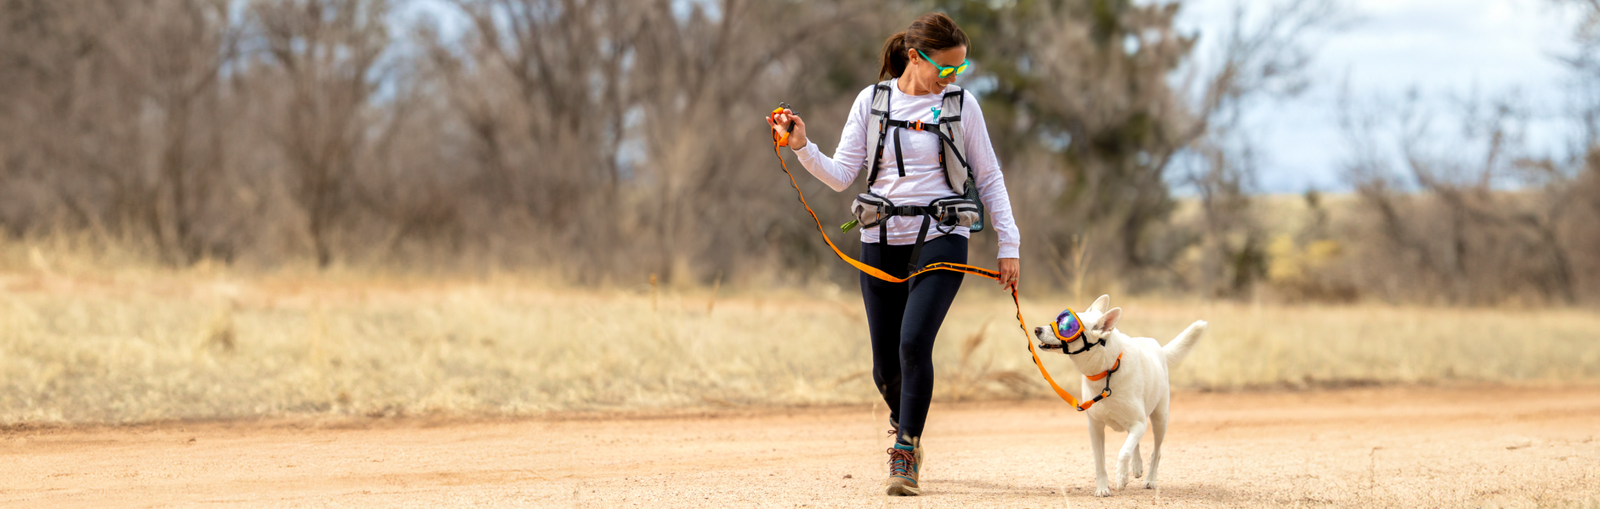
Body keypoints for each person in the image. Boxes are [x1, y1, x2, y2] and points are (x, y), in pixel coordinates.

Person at [764, 12, 1021, 497]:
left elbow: (989, 178)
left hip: (944, 234)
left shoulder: (964, 107)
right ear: (914, 56)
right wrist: (801, 147)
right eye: (944, 69)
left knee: (913, 342)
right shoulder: (872, 101)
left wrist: (1010, 245)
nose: (952, 79)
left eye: (959, 70)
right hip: (881, 238)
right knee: (885, 367)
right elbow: (842, 174)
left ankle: (905, 452)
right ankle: (907, 420)